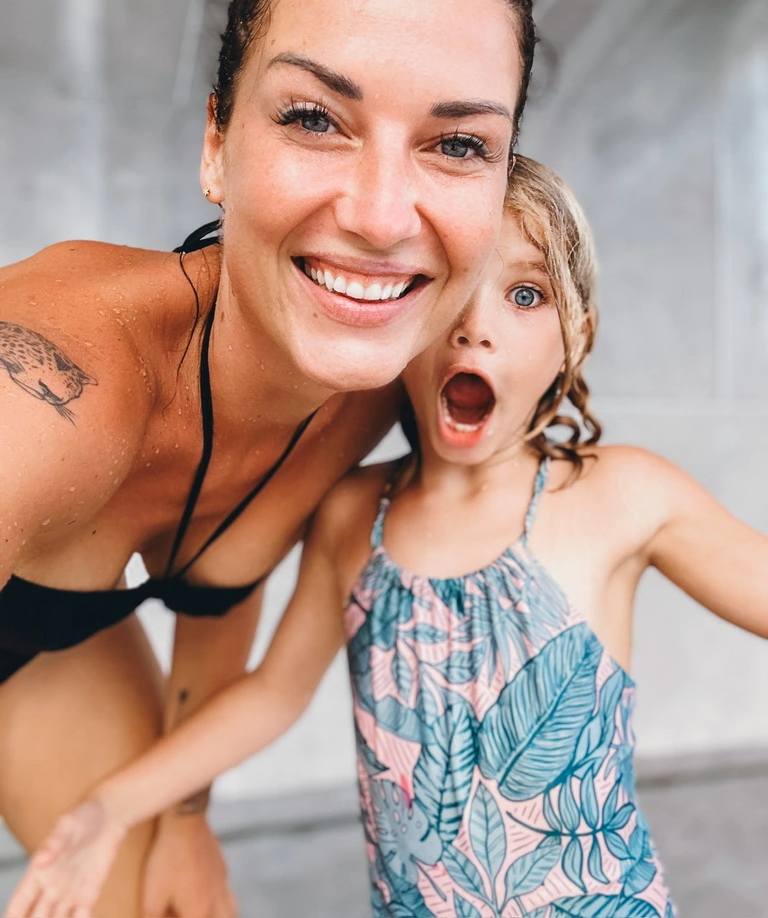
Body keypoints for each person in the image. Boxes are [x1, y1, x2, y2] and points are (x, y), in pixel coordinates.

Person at [18, 156, 768, 918]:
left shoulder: (621, 494)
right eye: (455, 288)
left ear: (576, 331)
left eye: (525, 294)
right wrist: (109, 808)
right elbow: (272, 696)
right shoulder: (355, 514)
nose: (478, 328)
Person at [0, 0, 536, 914]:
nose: (381, 217)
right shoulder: (51, 389)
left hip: (43, 654)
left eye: (457, 144)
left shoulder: (379, 388)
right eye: (313, 118)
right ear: (217, 144)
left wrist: (185, 820)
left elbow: (221, 579)